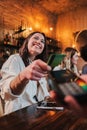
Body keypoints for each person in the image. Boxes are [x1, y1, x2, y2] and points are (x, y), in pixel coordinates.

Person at [0, 31, 51, 115]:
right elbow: (6, 93)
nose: (39, 42)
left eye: (42, 41)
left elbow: (43, 93)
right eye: (36, 38)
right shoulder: (15, 59)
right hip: (17, 113)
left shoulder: (38, 64)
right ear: (27, 42)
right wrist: (23, 76)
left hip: (35, 112)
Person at [50, 30, 87, 117]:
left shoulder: (75, 69)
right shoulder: (58, 69)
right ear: (69, 57)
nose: (78, 57)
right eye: (76, 56)